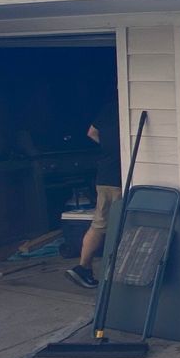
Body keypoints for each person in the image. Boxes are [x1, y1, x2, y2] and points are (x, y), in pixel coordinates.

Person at [65, 99, 122, 290]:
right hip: (120, 178)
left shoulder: (109, 106)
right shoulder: (129, 104)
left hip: (104, 174)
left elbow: (92, 132)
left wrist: (109, 147)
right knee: (124, 225)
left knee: (99, 224)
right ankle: (121, 274)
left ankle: (83, 267)